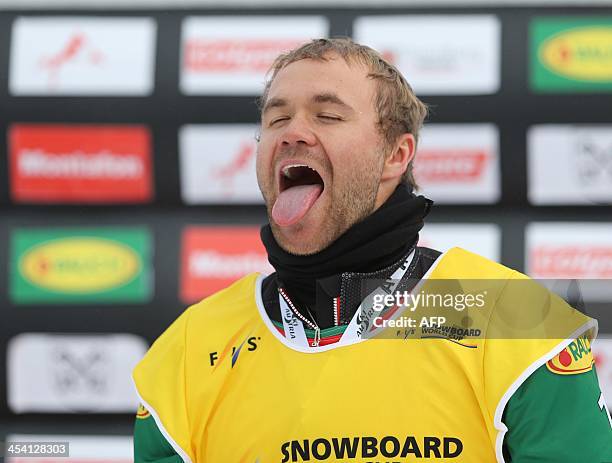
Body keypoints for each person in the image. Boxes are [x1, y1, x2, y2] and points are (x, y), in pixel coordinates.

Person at [133, 38, 612, 463]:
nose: (292, 133)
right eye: (277, 117)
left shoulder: (520, 323)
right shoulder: (189, 350)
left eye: (328, 115)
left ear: (396, 155)